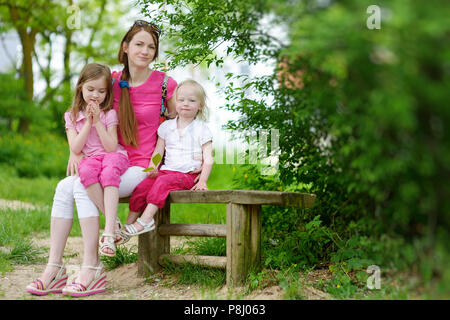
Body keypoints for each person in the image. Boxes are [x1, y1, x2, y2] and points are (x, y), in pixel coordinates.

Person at [26, 20, 180, 297]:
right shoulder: (111, 80)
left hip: (142, 166)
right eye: (139, 44)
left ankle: (91, 267)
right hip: (107, 160)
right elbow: (83, 108)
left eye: (151, 47)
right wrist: (75, 152)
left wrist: (168, 163)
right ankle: (55, 266)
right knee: (65, 186)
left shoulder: (166, 84)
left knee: (77, 186)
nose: (145, 51)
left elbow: (177, 128)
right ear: (125, 47)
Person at [123, 79, 213, 236]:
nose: (185, 104)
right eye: (181, 100)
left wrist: (203, 180)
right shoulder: (166, 127)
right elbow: (158, 152)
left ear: (200, 105)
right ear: (175, 102)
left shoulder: (201, 129)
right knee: (142, 188)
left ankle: (145, 221)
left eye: (191, 101)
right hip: (167, 172)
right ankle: (127, 227)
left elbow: (209, 159)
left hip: (186, 175)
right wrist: (153, 167)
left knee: (162, 183)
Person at [64, 63, 129, 258]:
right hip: (91, 159)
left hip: (113, 156)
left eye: (101, 91)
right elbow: (75, 148)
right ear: (80, 88)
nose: (95, 95)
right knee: (85, 172)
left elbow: (111, 147)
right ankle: (114, 221)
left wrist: (98, 121)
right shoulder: (72, 116)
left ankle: (108, 233)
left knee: (109, 173)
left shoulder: (109, 114)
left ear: (107, 93)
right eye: (90, 89)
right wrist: (88, 123)